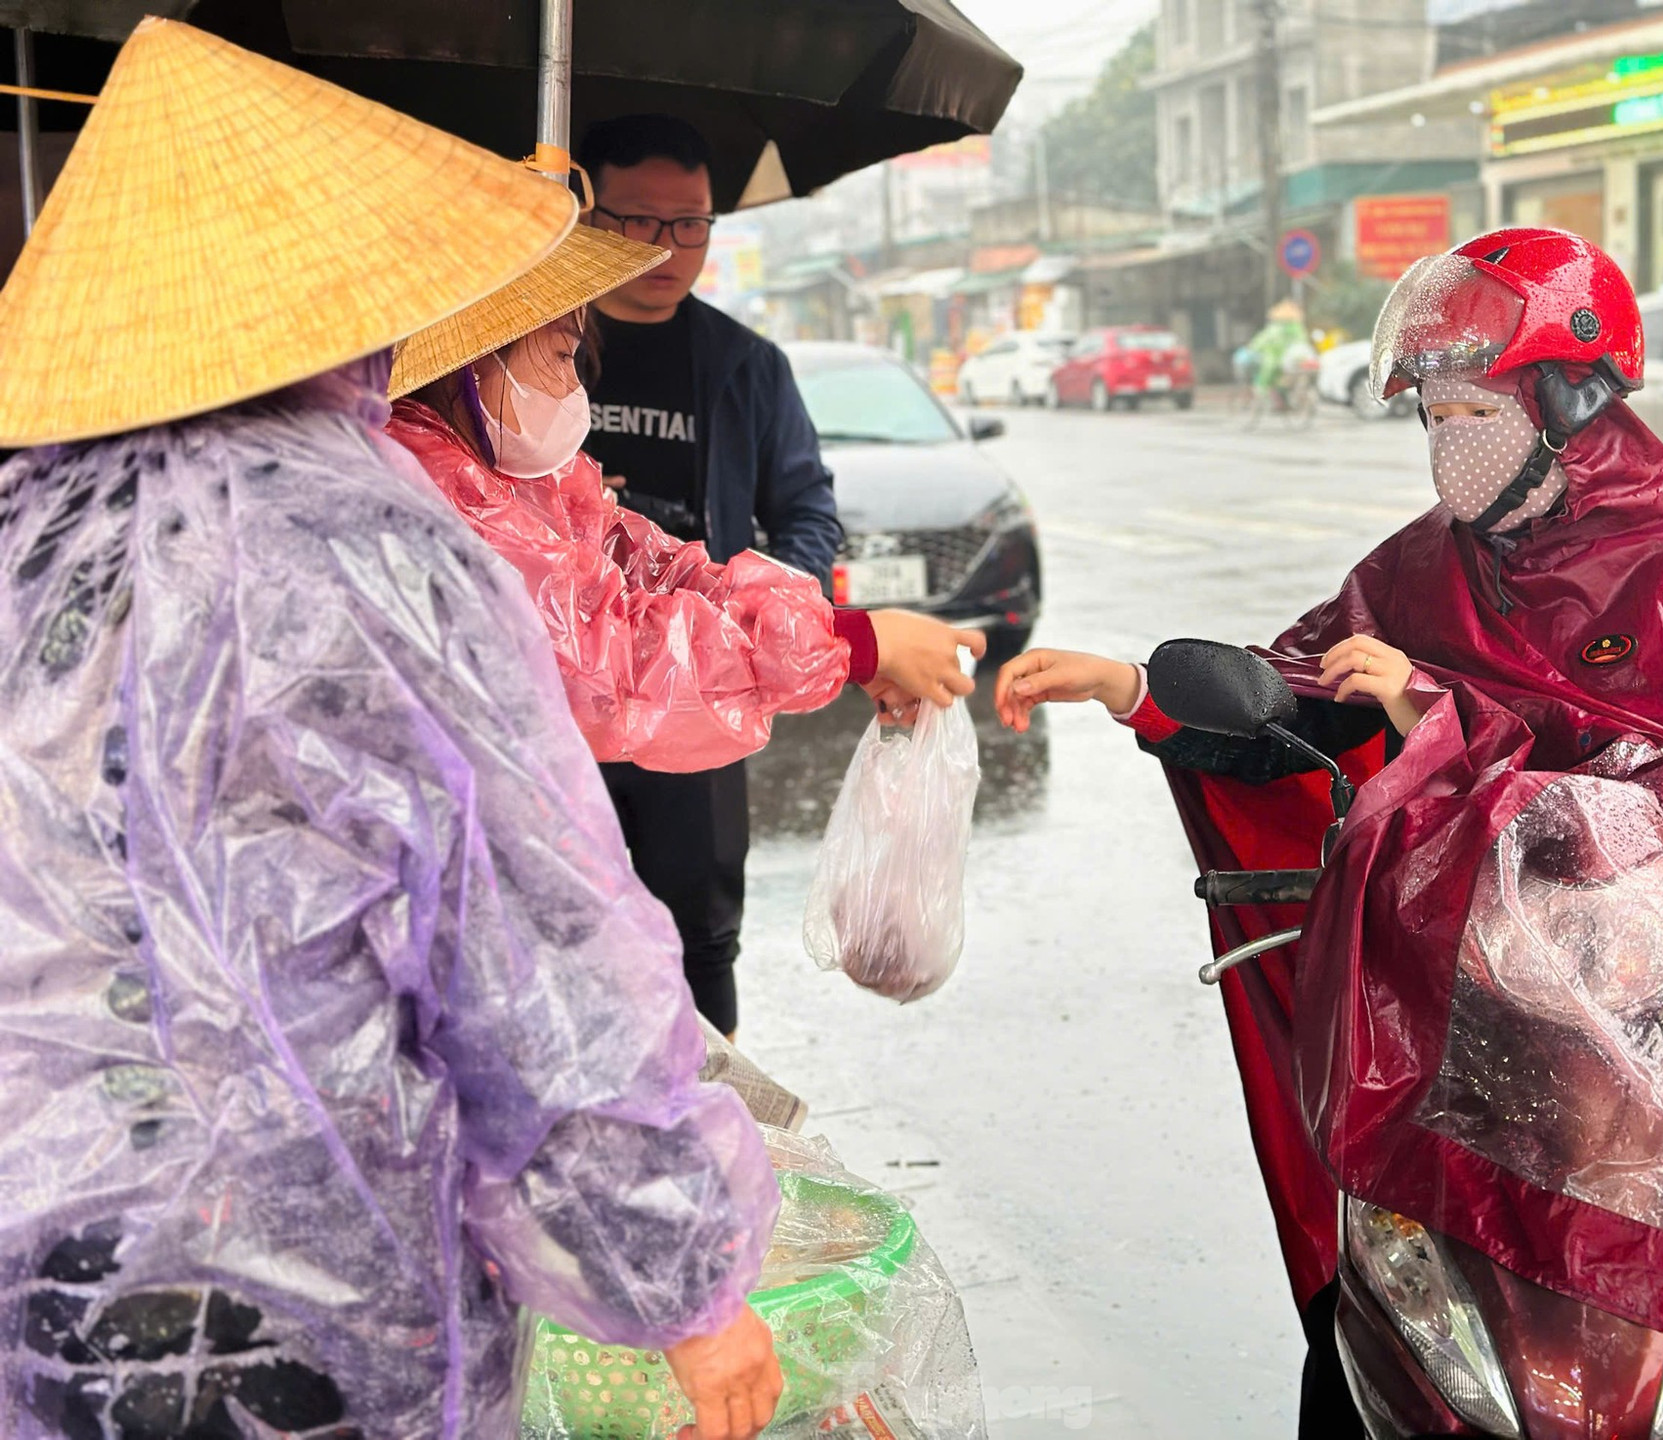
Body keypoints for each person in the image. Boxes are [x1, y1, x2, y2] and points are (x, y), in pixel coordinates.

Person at [0, 20, 784, 1440]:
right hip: (309, 1303)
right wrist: (686, 1289)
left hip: (41, 1290)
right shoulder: (363, 542)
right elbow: (529, 960)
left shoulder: (22, 533)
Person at [996, 229, 1663, 1424]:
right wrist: (1136, 689)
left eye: (1472, 411)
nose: (1446, 447)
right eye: (1430, 418)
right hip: (1467, 1045)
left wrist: (1439, 709)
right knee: (1353, 1366)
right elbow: (1306, 709)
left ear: (1567, 399)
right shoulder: (1416, 575)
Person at [384, 221, 984, 789]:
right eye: (565, 358)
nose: (573, 391)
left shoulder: (504, 473)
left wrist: (836, 636)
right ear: (478, 354)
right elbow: (608, 657)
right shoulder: (425, 481)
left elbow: (649, 565)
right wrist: (852, 643)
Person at [575, 112, 844, 1037]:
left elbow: (808, 513)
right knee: (565, 931)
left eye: (691, 224)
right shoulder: (537, 347)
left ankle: (711, 1139)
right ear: (587, 214)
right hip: (559, 704)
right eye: (640, 222)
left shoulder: (745, 368)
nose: (668, 248)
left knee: (701, 939)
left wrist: (764, 609)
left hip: (700, 699)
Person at [1244, 299, 1315, 429]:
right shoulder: (1298, 328)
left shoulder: (1274, 328)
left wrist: (1251, 348)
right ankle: (1286, 401)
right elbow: (1303, 343)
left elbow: (1260, 342)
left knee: (1264, 382)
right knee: (1290, 382)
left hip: (1274, 363)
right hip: (1296, 364)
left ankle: (1270, 401)